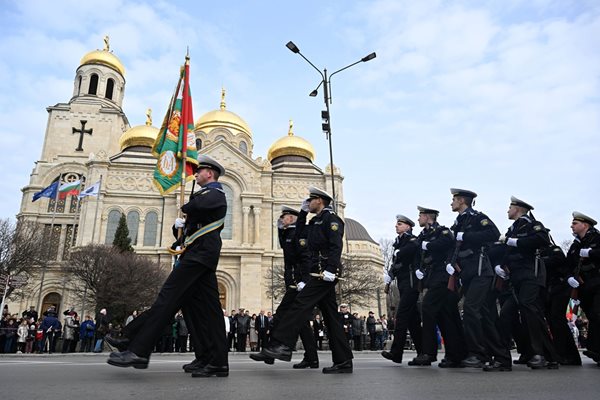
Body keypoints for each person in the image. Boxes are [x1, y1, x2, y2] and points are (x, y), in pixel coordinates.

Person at [107, 154, 229, 378]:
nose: (196, 174)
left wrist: (187, 207)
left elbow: (196, 206)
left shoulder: (216, 193)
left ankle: (137, 349)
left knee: (168, 299)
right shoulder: (205, 195)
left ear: (209, 173)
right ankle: (214, 360)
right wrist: (179, 226)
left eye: (199, 171)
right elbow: (190, 226)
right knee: (204, 312)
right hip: (197, 254)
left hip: (200, 256)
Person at [257, 187, 353, 374]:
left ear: (320, 200)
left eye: (311, 200)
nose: (308, 203)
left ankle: (282, 346)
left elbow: (336, 245)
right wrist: (302, 213)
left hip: (324, 273)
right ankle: (344, 360)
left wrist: (331, 269)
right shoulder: (315, 221)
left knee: (299, 305)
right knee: (332, 317)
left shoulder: (331, 220)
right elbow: (300, 233)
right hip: (318, 273)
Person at [490, 196, 559, 370]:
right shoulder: (513, 228)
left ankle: (541, 354)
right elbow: (507, 250)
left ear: (518, 209)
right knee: (506, 314)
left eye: (509, 207)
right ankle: (502, 358)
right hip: (515, 277)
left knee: (530, 311)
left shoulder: (531, 225)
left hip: (531, 275)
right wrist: (500, 265)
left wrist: (516, 242)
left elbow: (542, 239)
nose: (507, 210)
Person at [250, 205, 319, 368]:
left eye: (285, 217)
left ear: (293, 218)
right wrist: (281, 229)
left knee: (281, 315)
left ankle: (273, 350)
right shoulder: (288, 233)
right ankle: (312, 358)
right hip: (293, 282)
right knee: (302, 322)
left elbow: (306, 258)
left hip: (299, 283)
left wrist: (304, 280)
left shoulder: (299, 233)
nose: (281, 219)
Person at [447, 189, 506, 369]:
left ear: (462, 201)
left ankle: (478, 354)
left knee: (471, 310)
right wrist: (451, 262)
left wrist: (467, 236)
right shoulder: (459, 221)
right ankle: (498, 357)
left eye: (454, 200)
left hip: (481, 270)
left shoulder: (476, 217)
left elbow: (493, 234)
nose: (451, 203)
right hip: (467, 272)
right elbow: (456, 247)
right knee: (485, 315)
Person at [409, 206, 467, 367]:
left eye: (420, 215)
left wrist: (427, 245)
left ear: (428, 217)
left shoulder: (442, 231)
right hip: (431, 276)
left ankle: (429, 352)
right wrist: (418, 269)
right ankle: (455, 354)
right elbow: (416, 250)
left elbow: (447, 242)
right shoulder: (423, 235)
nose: (419, 218)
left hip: (443, 276)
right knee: (446, 315)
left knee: (428, 308)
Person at [381, 214, 422, 364]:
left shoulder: (411, 240)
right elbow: (396, 262)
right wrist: (390, 275)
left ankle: (396, 352)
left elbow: (413, 249)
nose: (396, 226)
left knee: (402, 316)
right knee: (413, 320)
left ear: (408, 226)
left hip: (411, 282)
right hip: (403, 282)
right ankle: (423, 353)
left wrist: (400, 252)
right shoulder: (398, 242)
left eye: (399, 224)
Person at [566, 211, 600, 366]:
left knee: (598, 313)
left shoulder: (597, 238)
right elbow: (568, 264)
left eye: (575, 223)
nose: (571, 226)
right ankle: (595, 349)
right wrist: (570, 277)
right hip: (584, 285)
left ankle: (596, 349)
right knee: (592, 316)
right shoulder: (575, 244)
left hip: (598, 281)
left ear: (585, 225)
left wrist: (592, 253)